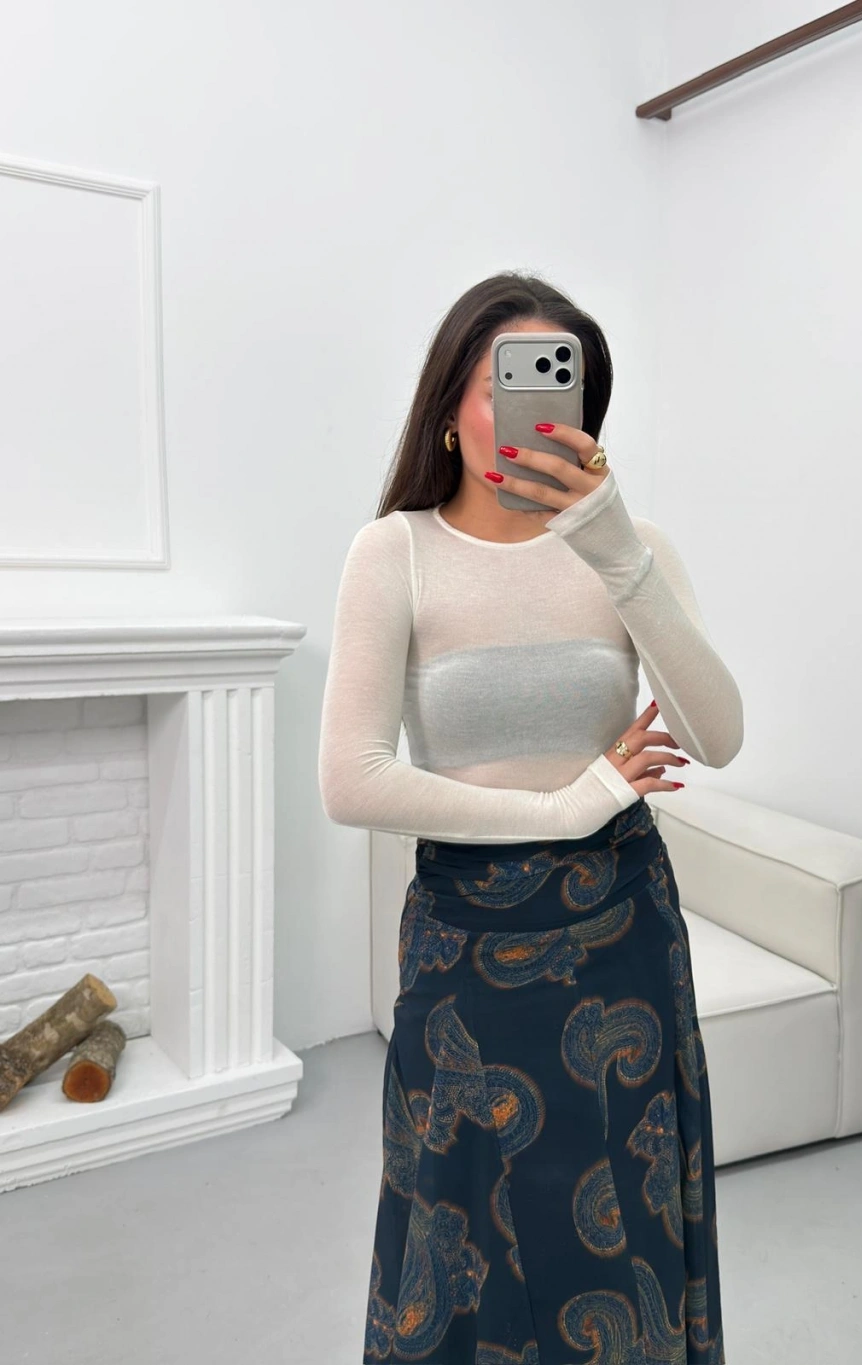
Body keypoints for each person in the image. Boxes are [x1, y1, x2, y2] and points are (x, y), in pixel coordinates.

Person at [318, 270, 743, 1364]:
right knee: (456, 1223)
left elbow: (717, 733)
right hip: (466, 943)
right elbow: (352, 779)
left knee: (624, 1222)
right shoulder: (396, 552)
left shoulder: (632, 548)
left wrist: (613, 547)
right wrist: (568, 801)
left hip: (621, 931)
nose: (539, 410)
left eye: (566, 388)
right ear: (449, 409)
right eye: (505, 382)